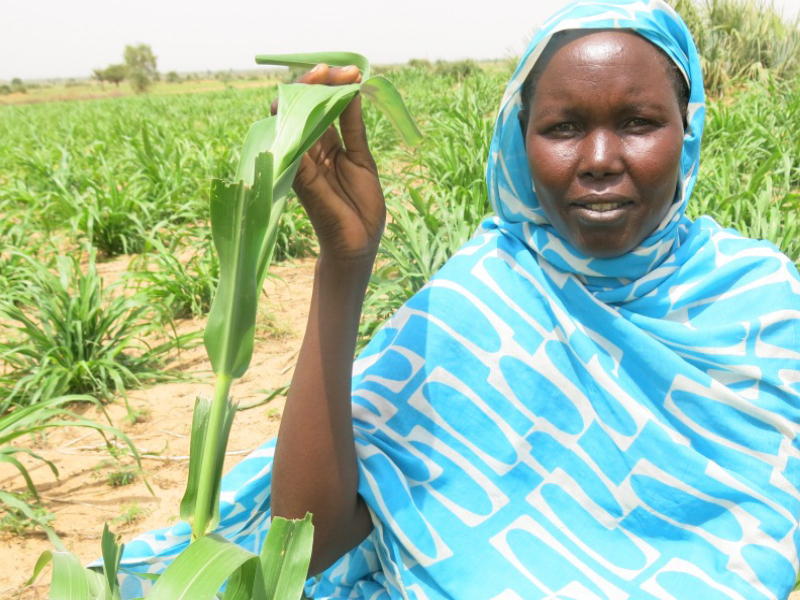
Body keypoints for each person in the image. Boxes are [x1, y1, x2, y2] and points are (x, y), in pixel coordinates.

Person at [115, 0, 800, 597]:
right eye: (562, 127)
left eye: (638, 122)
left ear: (689, 132)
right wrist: (344, 266)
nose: (597, 157)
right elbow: (308, 542)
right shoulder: (482, 304)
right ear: (516, 142)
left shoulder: (759, 304)